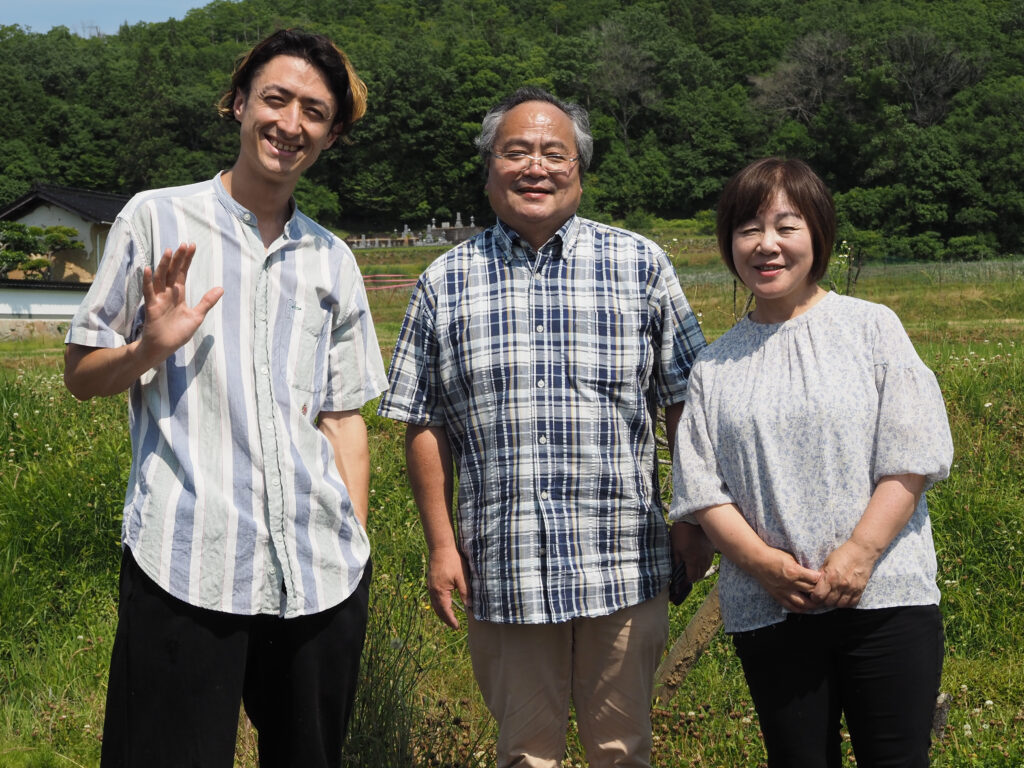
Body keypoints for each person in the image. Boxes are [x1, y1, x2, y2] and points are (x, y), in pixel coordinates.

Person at [63, 29, 387, 768]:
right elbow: (81, 374)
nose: (290, 123)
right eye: (275, 99)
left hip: (319, 576)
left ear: (331, 135)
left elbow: (343, 418)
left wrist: (354, 545)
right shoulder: (157, 219)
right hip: (184, 560)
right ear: (239, 103)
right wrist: (147, 349)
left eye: (314, 111)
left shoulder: (331, 258)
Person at [377, 86, 712, 768]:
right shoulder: (444, 281)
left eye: (553, 153)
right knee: (525, 753)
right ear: (490, 167)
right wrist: (442, 546)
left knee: (624, 750)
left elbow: (687, 401)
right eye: (516, 152)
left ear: (579, 169)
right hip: (504, 563)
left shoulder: (640, 265)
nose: (536, 167)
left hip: (624, 555)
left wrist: (695, 518)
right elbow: (423, 424)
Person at [670, 157, 954, 768]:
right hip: (771, 606)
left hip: (886, 596)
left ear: (817, 234)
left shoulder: (872, 327)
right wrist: (763, 564)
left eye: (786, 225)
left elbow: (912, 455)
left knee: (898, 759)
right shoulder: (714, 366)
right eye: (748, 228)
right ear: (729, 245)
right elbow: (701, 490)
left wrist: (858, 555)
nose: (766, 244)